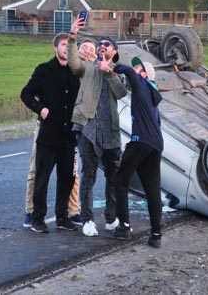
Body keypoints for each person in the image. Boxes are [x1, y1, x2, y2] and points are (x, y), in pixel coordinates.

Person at [22, 39, 97, 229]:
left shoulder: (75, 72)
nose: (66, 49)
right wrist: (40, 109)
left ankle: (62, 217)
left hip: (69, 135)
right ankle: (37, 219)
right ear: (55, 47)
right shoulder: (44, 70)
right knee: (42, 177)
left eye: (69, 46)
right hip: (48, 133)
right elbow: (26, 94)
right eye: (63, 45)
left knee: (67, 178)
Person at [68, 18, 127, 237]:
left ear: (115, 52)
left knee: (113, 176)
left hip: (110, 131)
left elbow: (122, 93)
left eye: (107, 45)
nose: (102, 47)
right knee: (89, 175)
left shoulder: (118, 72)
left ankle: (111, 218)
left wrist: (109, 71)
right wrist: (73, 36)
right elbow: (73, 63)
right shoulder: (88, 68)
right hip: (87, 128)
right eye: (100, 44)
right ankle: (88, 220)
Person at [112, 57, 164, 248]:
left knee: (120, 181)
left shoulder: (142, 84)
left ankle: (124, 227)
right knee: (152, 190)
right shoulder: (153, 92)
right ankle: (156, 234)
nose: (135, 70)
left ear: (144, 74)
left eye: (138, 68)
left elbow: (129, 72)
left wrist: (113, 67)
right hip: (155, 144)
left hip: (140, 141)